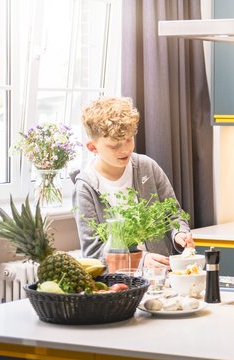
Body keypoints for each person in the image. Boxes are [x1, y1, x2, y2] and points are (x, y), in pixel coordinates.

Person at [73, 96, 193, 268]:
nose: (125, 149)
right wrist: (139, 261)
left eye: (129, 139)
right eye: (114, 146)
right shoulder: (86, 187)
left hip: (161, 274)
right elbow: (93, 253)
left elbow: (173, 214)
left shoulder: (147, 167)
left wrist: (179, 234)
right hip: (120, 281)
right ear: (92, 147)